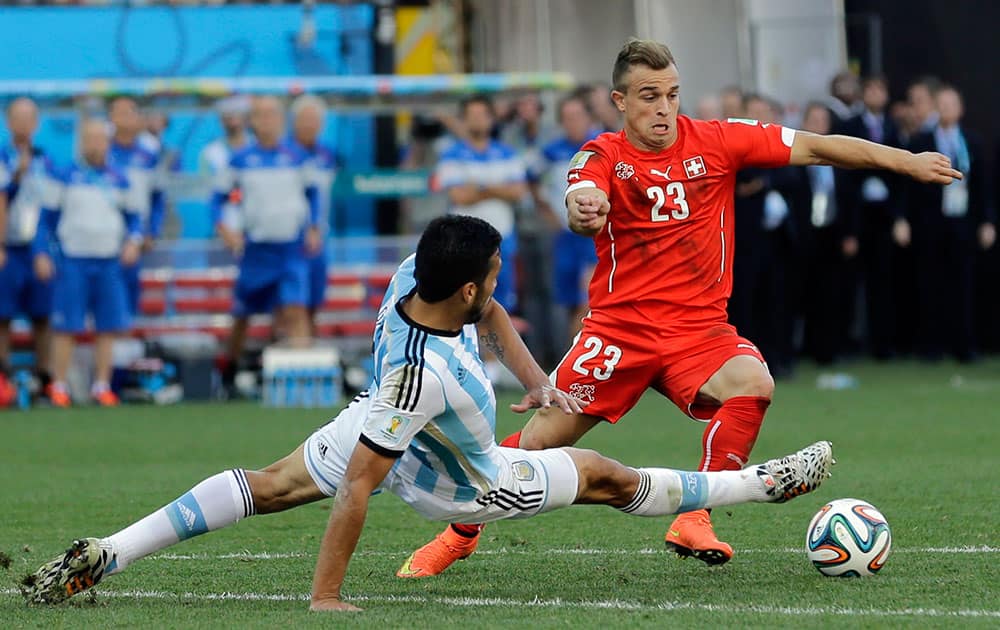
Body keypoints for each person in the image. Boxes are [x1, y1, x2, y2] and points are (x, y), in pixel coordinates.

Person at [20, 215, 835, 611]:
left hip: (374, 419)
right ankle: (760, 487)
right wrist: (326, 598)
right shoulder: (429, 373)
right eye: (494, 271)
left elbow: (494, 316)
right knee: (604, 476)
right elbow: (361, 488)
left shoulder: (419, 276)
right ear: (470, 282)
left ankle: (110, 551)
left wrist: (543, 381)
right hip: (451, 476)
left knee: (265, 484)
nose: (497, 283)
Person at [403, 37, 960, 577]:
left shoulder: (719, 140)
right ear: (621, 101)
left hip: (700, 332)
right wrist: (586, 208)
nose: (664, 108)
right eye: (649, 96)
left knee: (753, 382)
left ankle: (694, 517)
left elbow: (817, 145)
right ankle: (459, 534)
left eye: (672, 94)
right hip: (619, 334)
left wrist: (905, 160)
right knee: (539, 443)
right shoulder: (602, 155)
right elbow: (579, 198)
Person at [211, 96, 321, 393]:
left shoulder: (298, 157)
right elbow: (218, 200)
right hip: (256, 250)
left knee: (296, 308)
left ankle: (304, 380)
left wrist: (313, 227)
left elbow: (313, 195)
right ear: (253, 121)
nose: (267, 120)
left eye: (272, 114)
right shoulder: (240, 160)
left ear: (281, 119)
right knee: (242, 314)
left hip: (290, 248)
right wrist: (225, 229)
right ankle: (228, 372)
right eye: (260, 115)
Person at [34, 118, 142, 407]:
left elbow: (134, 219)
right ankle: (59, 386)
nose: (95, 144)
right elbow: (46, 221)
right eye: (89, 139)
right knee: (66, 325)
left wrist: (133, 241)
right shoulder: (64, 175)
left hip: (108, 261)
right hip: (73, 260)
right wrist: (41, 253)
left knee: (107, 327)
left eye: (100, 139)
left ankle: (102, 386)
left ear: (108, 142)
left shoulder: (120, 178)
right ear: (81, 142)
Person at [906, 85, 995, 362]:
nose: (945, 109)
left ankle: (964, 346)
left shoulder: (972, 141)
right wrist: (903, 220)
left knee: (963, 284)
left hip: (963, 221)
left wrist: (987, 222)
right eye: (941, 104)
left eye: (951, 104)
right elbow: (907, 186)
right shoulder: (922, 141)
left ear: (960, 108)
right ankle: (931, 346)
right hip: (931, 222)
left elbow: (984, 186)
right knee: (930, 283)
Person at [435, 94, 528, 313]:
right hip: (465, 244)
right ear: (464, 120)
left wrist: (479, 188)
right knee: (467, 306)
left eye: (482, 115)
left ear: (491, 119)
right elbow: (459, 196)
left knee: (504, 306)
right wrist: (498, 189)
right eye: (472, 115)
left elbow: (518, 191)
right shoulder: (452, 155)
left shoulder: (507, 154)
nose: (477, 120)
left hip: (503, 239)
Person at [840, 76, 908, 359]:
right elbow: (844, 175)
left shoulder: (893, 127)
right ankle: (849, 342)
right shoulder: (850, 126)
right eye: (870, 89)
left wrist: (900, 218)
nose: (875, 94)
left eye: (880, 89)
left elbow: (902, 176)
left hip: (885, 215)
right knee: (851, 281)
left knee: (884, 280)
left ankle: (884, 344)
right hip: (859, 215)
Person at [528, 93, 599, 343]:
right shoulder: (551, 151)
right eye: (567, 118)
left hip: (593, 236)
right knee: (569, 300)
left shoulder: (601, 146)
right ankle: (573, 357)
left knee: (588, 298)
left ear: (589, 117)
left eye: (578, 116)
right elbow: (531, 179)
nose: (573, 122)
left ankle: (576, 361)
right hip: (564, 236)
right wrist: (547, 212)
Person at [0, 97, 55, 406]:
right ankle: (3, 379)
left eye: (28, 118)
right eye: (16, 118)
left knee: (42, 316)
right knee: (2, 316)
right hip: (8, 250)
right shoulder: (2, 158)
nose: (22, 124)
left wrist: (47, 249)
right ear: (8, 122)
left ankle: (43, 381)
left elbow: (53, 207)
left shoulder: (46, 161)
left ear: (36, 123)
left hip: (38, 251)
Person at [108, 96, 166, 315]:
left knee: (130, 289)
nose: (123, 119)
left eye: (128, 113)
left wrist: (153, 230)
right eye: (118, 113)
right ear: (110, 118)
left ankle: (126, 335)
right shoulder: (102, 153)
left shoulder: (149, 156)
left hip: (135, 235)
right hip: (102, 235)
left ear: (138, 119)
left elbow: (158, 196)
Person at [287, 94, 338, 333]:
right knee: (290, 300)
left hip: (320, 237)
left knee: (315, 296)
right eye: (304, 119)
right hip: (290, 239)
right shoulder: (284, 154)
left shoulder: (327, 155)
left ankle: (311, 349)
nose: (309, 125)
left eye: (314, 119)